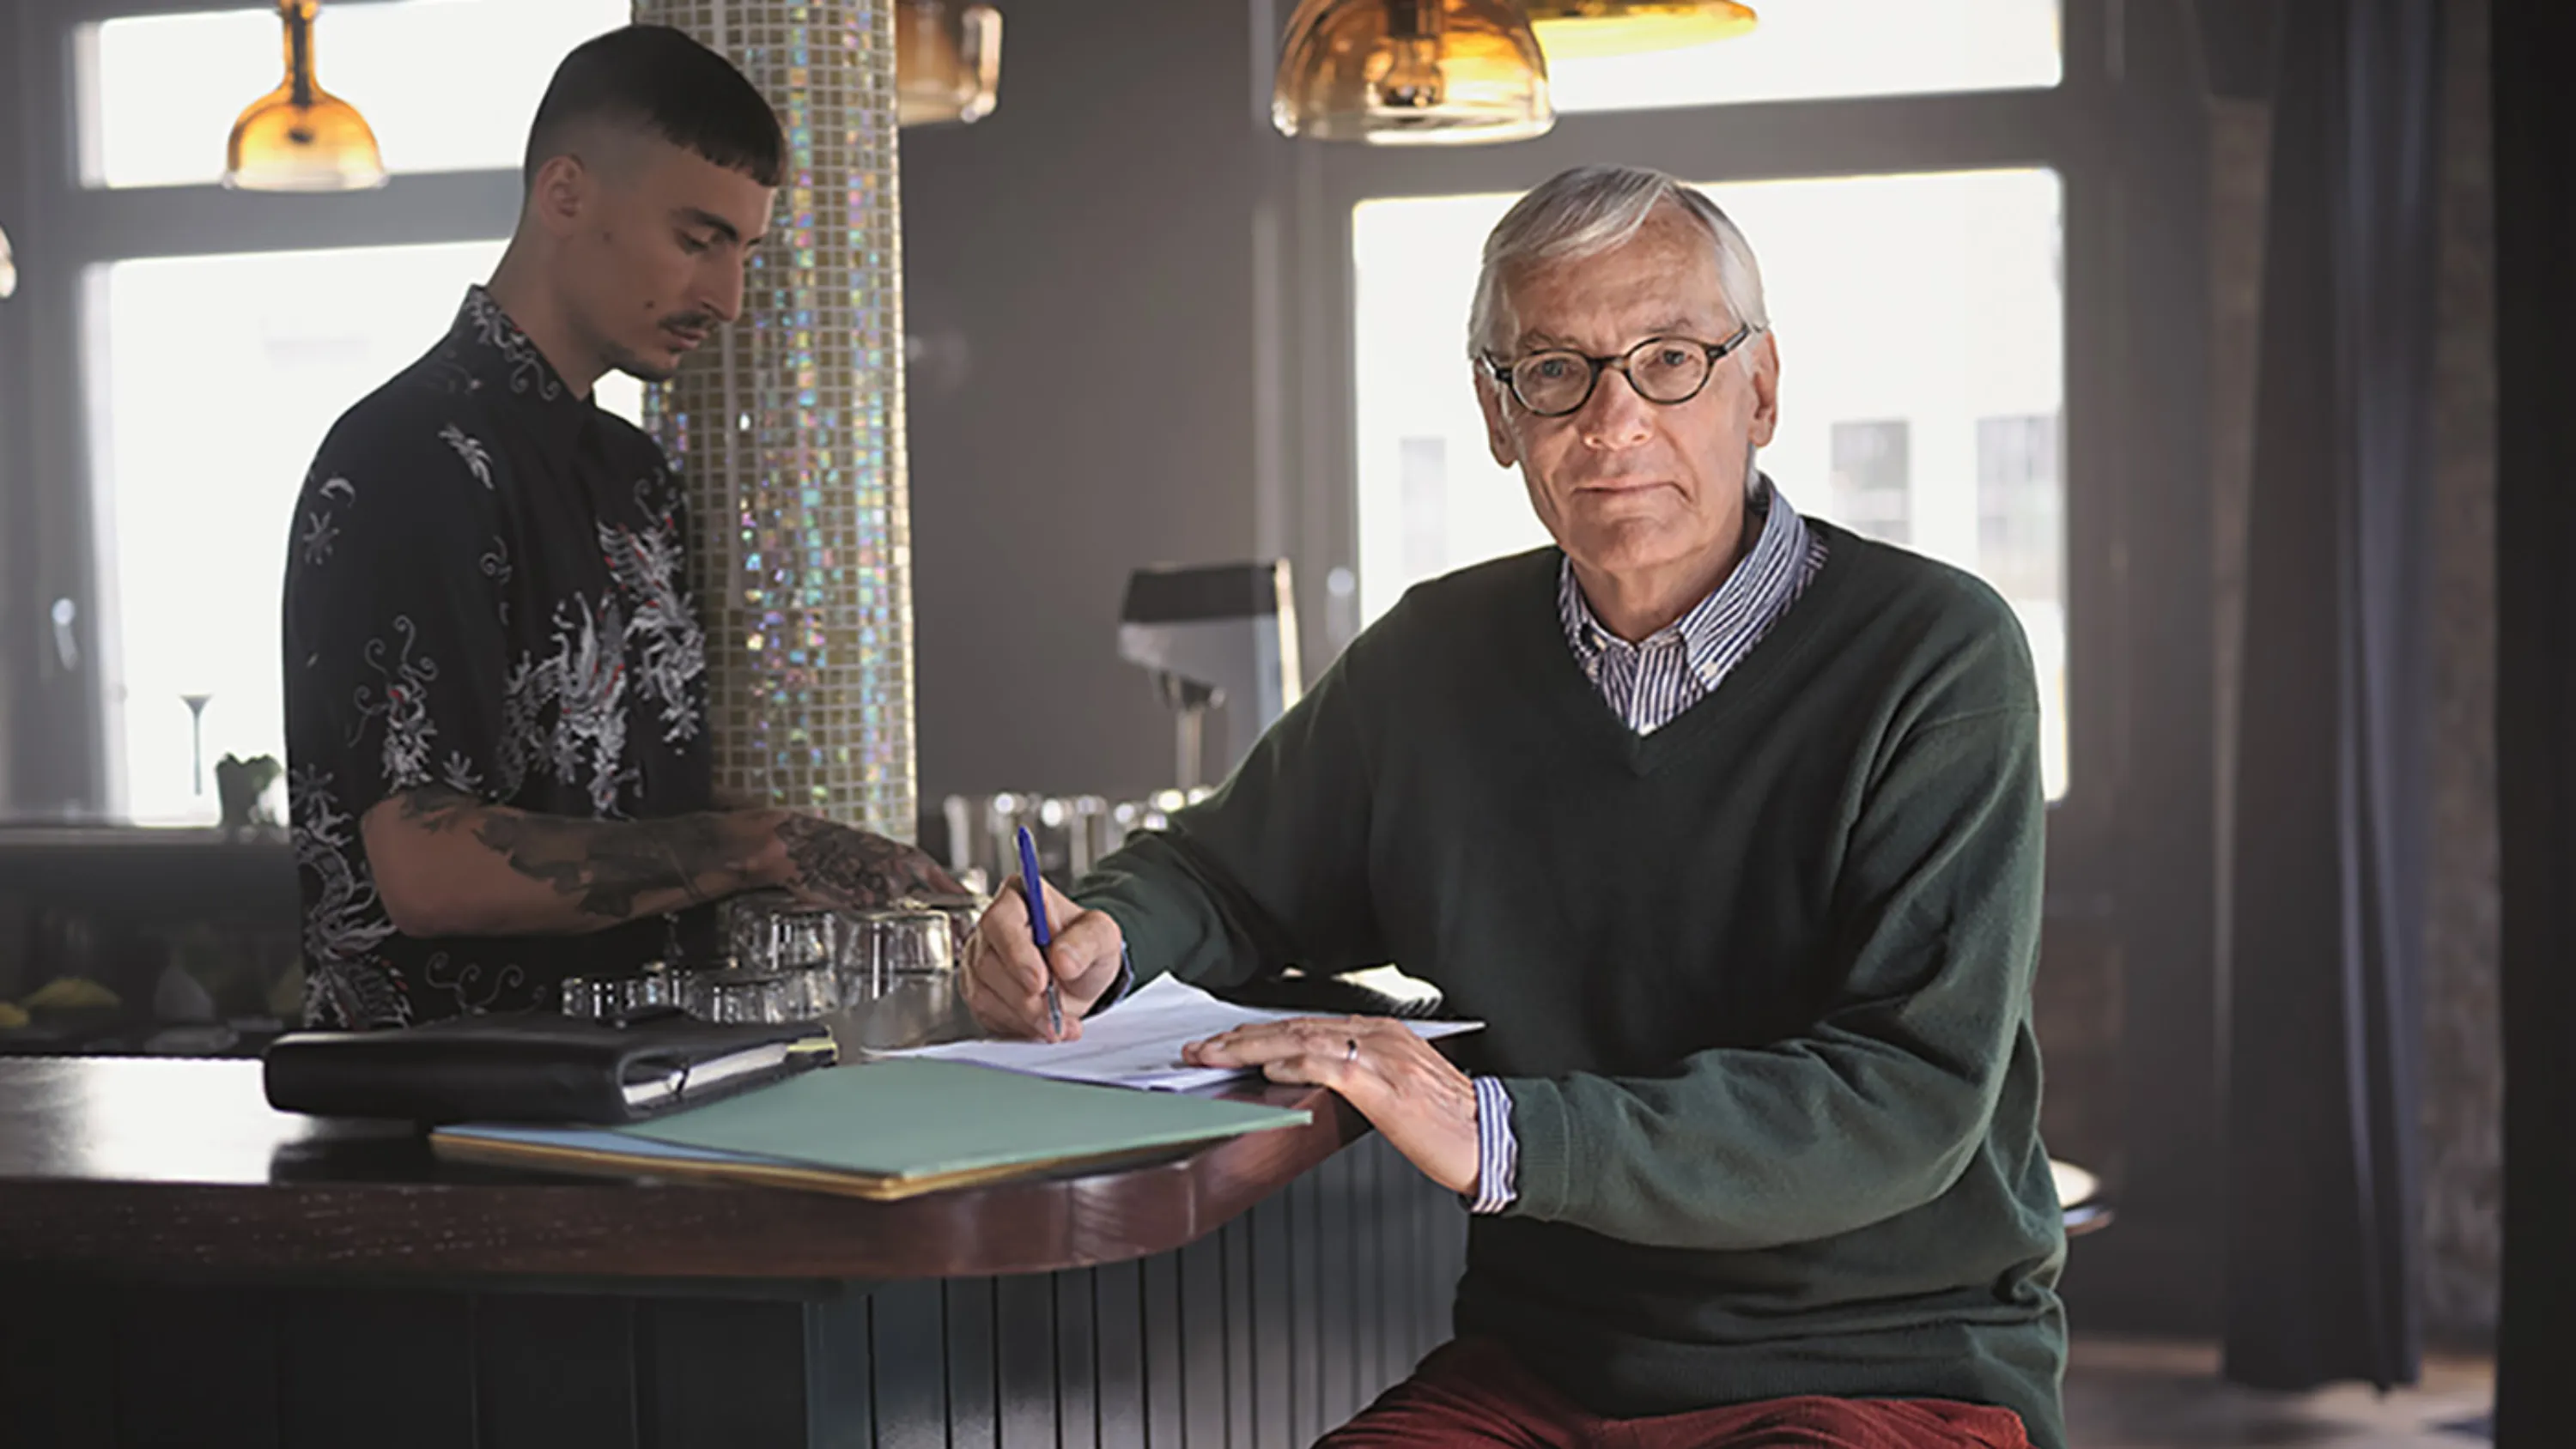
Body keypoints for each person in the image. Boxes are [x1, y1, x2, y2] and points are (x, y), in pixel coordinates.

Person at [962, 165, 2065, 1448]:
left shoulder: (1938, 655)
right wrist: (1103, 933)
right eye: (1556, 372)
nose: (1613, 425)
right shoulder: (1434, 654)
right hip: (1546, 1366)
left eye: (1669, 360)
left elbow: (1906, 1096)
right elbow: (1224, 874)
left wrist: (1498, 1129)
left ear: (1761, 390)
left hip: (1887, 1362)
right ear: (1499, 415)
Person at [283, 25, 953, 1030]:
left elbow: (616, 809)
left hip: (645, 1087)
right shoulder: (404, 455)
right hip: (444, 1124)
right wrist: (761, 844)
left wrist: (873, 866)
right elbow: (426, 871)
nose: (727, 298)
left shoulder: (634, 477)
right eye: (696, 240)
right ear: (565, 194)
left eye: (744, 249)